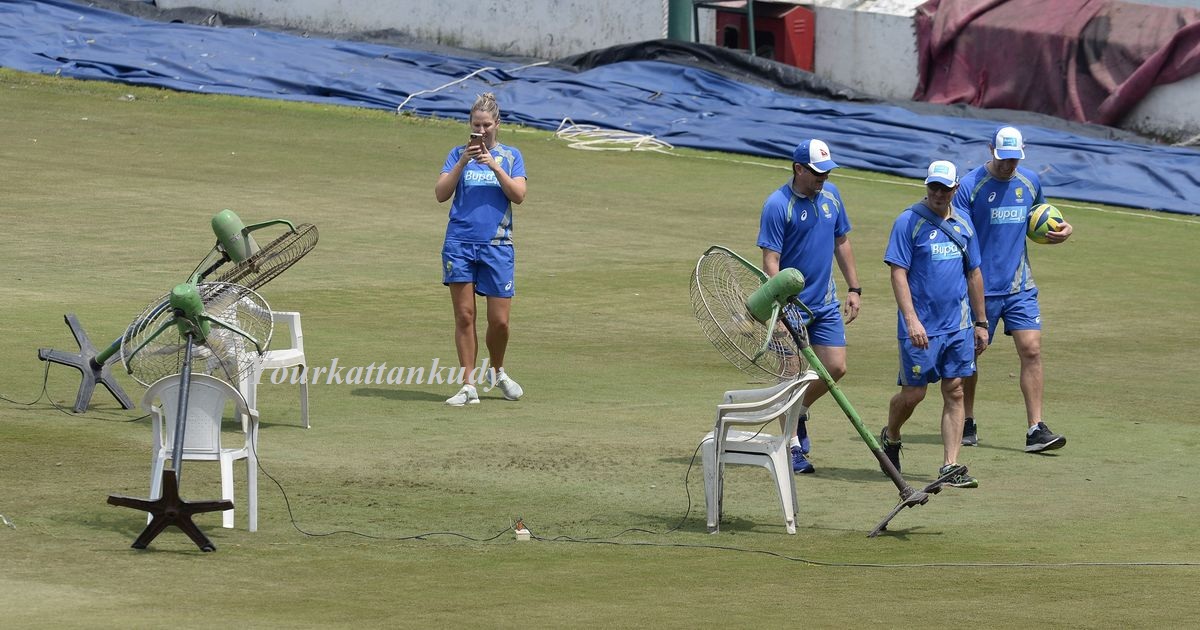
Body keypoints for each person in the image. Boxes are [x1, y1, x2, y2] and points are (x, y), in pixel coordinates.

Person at [954, 126, 1073, 451]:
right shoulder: (970, 187)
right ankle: (966, 421)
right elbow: (960, 236)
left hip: (1020, 286)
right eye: (1003, 158)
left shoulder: (1030, 182)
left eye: (1014, 159)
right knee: (971, 356)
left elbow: (1042, 218)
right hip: (980, 288)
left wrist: (1062, 230)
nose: (1009, 165)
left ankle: (1036, 429)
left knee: (1032, 349)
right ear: (990, 149)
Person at [757, 139, 862, 474]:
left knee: (836, 368)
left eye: (827, 171)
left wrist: (854, 287)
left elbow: (841, 241)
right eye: (818, 172)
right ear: (798, 168)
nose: (824, 177)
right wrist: (779, 305)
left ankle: (799, 411)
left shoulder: (832, 195)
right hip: (790, 308)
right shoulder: (777, 205)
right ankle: (790, 447)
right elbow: (770, 261)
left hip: (825, 304)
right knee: (791, 375)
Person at [880, 160, 988, 488]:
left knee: (955, 390)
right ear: (927, 186)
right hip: (921, 328)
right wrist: (911, 320)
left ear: (956, 189)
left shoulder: (964, 223)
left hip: (958, 326)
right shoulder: (908, 222)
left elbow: (974, 273)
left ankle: (950, 465)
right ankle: (891, 434)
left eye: (945, 188)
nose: (939, 194)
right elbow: (898, 272)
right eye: (934, 187)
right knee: (913, 394)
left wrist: (981, 322)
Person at [434, 92, 527, 406]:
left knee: (500, 322)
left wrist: (494, 166)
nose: (482, 130)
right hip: (459, 244)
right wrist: (463, 161)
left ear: (497, 124)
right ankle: (468, 385)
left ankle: (498, 372)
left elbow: (519, 195)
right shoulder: (456, 154)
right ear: (470, 125)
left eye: (487, 125)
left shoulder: (511, 156)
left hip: (497, 247)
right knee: (465, 316)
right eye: (477, 125)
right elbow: (441, 194)